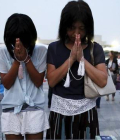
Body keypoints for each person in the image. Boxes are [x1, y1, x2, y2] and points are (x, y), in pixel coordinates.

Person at [46, 1, 107, 139]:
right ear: (64, 26)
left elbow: (103, 80)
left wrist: (82, 59)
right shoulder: (54, 48)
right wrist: (71, 58)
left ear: (88, 28)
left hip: (87, 112)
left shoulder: (95, 49)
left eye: (81, 28)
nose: (76, 33)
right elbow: (51, 81)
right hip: (59, 112)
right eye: (72, 28)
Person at [0, 13, 49, 140]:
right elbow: (6, 84)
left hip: (34, 108)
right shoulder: (2, 53)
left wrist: (26, 59)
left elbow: (38, 82)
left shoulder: (40, 51)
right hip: (11, 109)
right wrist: (16, 60)